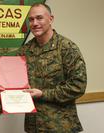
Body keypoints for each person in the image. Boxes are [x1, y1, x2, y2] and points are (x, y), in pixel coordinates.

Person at [19, 3, 87, 133]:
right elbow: (14, 83)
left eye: (39, 18)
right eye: (31, 19)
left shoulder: (67, 48)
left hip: (61, 126)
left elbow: (78, 86)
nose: (35, 23)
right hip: (33, 126)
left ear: (51, 19)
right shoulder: (25, 51)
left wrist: (43, 94)